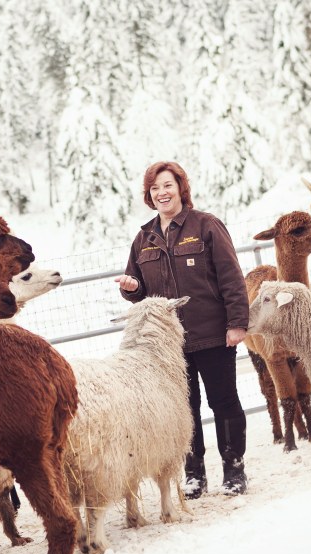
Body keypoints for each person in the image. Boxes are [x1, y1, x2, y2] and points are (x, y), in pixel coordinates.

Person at [115, 161, 249, 497]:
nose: (162, 192)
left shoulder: (206, 226)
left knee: (224, 402)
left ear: (180, 188)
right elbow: (140, 290)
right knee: (183, 410)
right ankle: (194, 474)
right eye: (155, 188)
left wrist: (236, 323)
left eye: (168, 185)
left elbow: (231, 277)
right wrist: (131, 288)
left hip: (213, 335)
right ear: (149, 194)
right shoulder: (143, 238)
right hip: (169, 347)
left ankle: (234, 469)